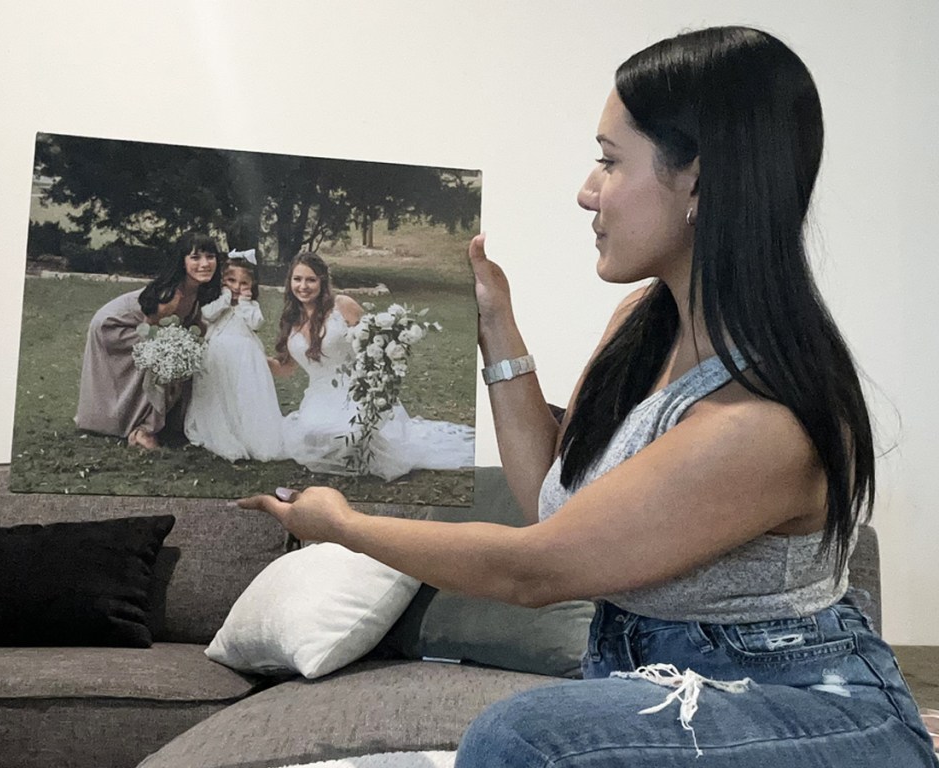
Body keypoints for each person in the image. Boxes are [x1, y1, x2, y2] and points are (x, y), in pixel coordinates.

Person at [239, 26, 939, 766]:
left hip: (801, 705)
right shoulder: (641, 322)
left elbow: (533, 568)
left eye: (609, 161)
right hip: (667, 686)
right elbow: (554, 495)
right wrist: (495, 322)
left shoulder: (761, 419)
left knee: (521, 739)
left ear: (699, 178)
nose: (586, 190)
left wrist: (341, 524)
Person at [270, 252, 475, 480]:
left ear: (322, 281)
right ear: (290, 282)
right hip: (318, 396)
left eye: (311, 280)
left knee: (351, 433)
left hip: (357, 390)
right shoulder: (290, 318)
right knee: (312, 434)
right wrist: (250, 357)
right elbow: (286, 369)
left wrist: (378, 382)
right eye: (297, 279)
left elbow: (376, 343)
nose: (303, 286)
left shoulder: (342, 306)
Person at [75, 232, 221, 450]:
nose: (205, 264)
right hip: (116, 326)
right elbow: (151, 334)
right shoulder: (172, 296)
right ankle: (143, 430)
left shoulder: (197, 291)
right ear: (182, 261)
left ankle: (171, 422)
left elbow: (196, 325)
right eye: (195, 258)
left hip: (149, 330)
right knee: (163, 365)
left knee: (179, 356)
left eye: (210, 257)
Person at [184, 250, 284, 461]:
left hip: (244, 356)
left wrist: (245, 304)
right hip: (218, 354)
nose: (237, 287)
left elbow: (257, 323)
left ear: (252, 285)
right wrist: (225, 299)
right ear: (222, 280)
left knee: (243, 394)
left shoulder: (251, 306)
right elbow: (207, 315)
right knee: (218, 391)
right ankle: (219, 428)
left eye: (243, 283)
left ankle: (246, 432)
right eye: (231, 280)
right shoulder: (217, 302)